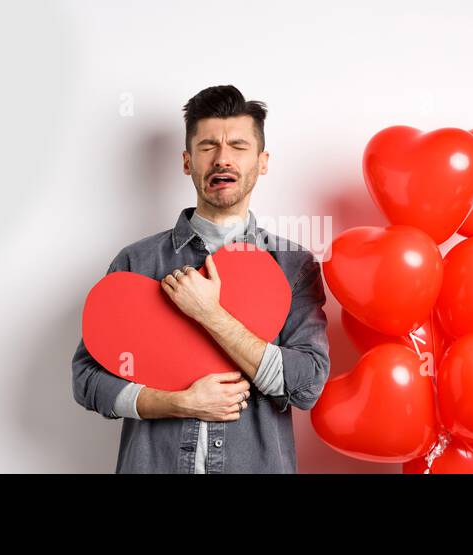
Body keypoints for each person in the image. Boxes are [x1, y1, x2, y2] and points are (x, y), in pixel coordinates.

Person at [71, 85, 331, 473]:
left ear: (262, 162)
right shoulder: (137, 262)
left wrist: (210, 314)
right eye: (208, 146)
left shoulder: (294, 265)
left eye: (238, 146)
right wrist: (180, 402)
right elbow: (87, 380)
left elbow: (307, 384)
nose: (222, 159)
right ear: (187, 161)